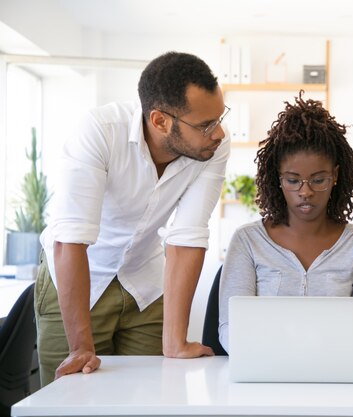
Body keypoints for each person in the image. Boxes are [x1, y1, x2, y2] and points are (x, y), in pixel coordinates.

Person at [35, 51, 230, 386]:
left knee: (150, 396)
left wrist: (175, 342)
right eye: (205, 125)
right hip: (79, 276)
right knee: (72, 397)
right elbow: (71, 240)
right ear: (159, 121)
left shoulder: (210, 148)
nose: (219, 133)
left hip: (144, 281)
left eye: (219, 118)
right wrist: (81, 346)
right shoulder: (99, 131)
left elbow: (188, 236)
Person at [218, 94, 353, 362]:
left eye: (318, 179)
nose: (305, 192)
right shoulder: (247, 242)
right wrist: (287, 357)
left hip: (340, 376)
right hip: (267, 374)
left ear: (335, 176)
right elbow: (230, 329)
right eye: (293, 180)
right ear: (278, 178)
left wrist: (324, 358)